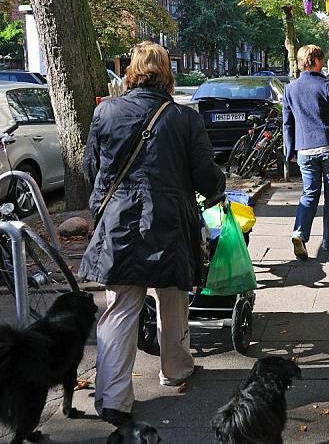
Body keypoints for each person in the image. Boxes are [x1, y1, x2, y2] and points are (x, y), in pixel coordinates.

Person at [80, 41, 225, 426]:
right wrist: (215, 194)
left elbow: (91, 166)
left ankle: (112, 398)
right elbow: (205, 172)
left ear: (132, 71)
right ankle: (175, 369)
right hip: (169, 221)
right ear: (167, 73)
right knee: (172, 298)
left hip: (119, 221)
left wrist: (102, 205)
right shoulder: (184, 118)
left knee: (119, 307)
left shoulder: (105, 111)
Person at [283, 45, 329, 260]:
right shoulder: (327, 85)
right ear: (317, 62)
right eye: (321, 60)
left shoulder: (290, 89)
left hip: (304, 149)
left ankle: (300, 233)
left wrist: (289, 152)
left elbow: (287, 123)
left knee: (309, 193)